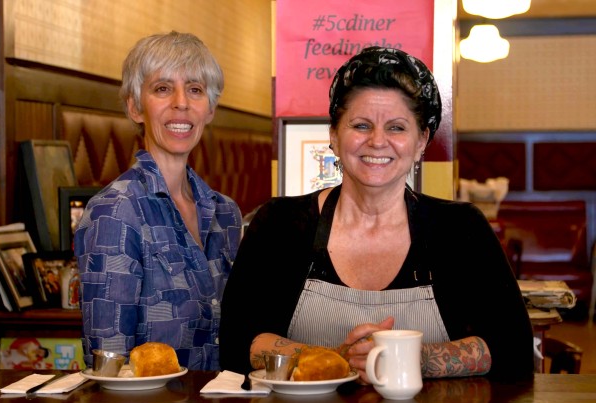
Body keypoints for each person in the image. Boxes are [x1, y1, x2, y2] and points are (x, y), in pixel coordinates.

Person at [219, 47, 533, 382]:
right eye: (361, 125)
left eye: (397, 128)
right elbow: (238, 342)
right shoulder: (280, 223)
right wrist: (335, 361)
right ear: (334, 136)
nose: (377, 141)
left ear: (421, 141)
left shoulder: (459, 228)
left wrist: (411, 358)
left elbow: (511, 346)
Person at [74, 31, 242, 371]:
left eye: (195, 90)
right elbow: (109, 363)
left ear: (210, 109)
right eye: (162, 88)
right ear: (135, 107)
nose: (181, 102)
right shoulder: (115, 212)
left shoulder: (226, 213)